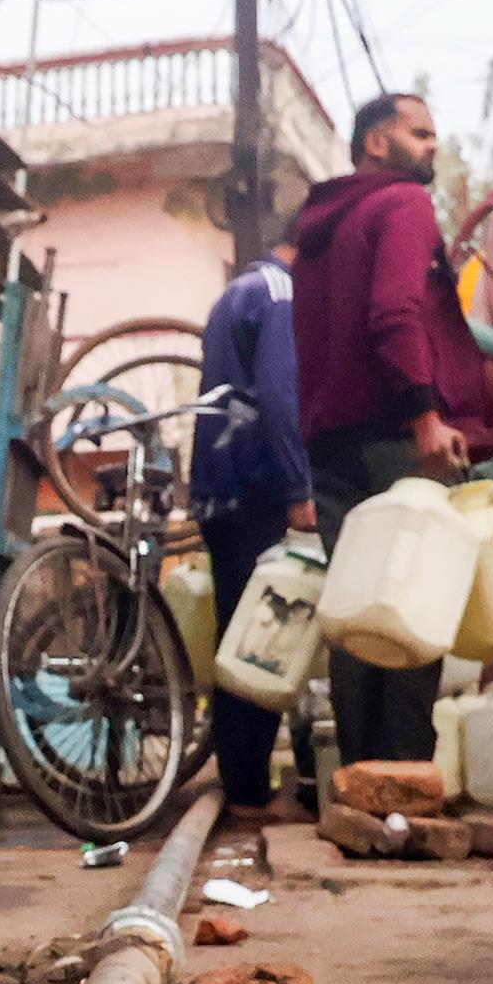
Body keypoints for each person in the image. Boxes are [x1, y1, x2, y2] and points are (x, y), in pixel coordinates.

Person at [292, 90, 493, 766]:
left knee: (358, 614)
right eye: (420, 133)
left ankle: (362, 779)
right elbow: (394, 314)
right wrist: (426, 417)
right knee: (414, 605)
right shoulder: (401, 203)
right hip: (396, 440)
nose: (432, 145)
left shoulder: (321, 230)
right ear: (376, 143)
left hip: (333, 444)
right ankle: (407, 778)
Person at [193, 237, 315, 821]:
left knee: (233, 631)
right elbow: (278, 393)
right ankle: (249, 790)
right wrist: (298, 487)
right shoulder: (280, 291)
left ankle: (239, 780)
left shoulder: (233, 294)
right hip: (255, 483)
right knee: (264, 638)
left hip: (216, 483)